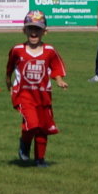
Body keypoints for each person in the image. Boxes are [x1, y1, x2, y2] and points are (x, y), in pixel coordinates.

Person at [6, 10, 68, 167]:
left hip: (43, 97)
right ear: (24, 30)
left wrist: (59, 80)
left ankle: (40, 159)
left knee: (43, 129)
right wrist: (8, 80)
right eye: (30, 28)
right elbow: (10, 67)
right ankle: (25, 144)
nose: (34, 32)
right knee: (32, 124)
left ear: (45, 32)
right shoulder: (17, 50)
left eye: (38, 29)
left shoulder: (49, 51)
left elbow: (55, 68)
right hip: (24, 95)